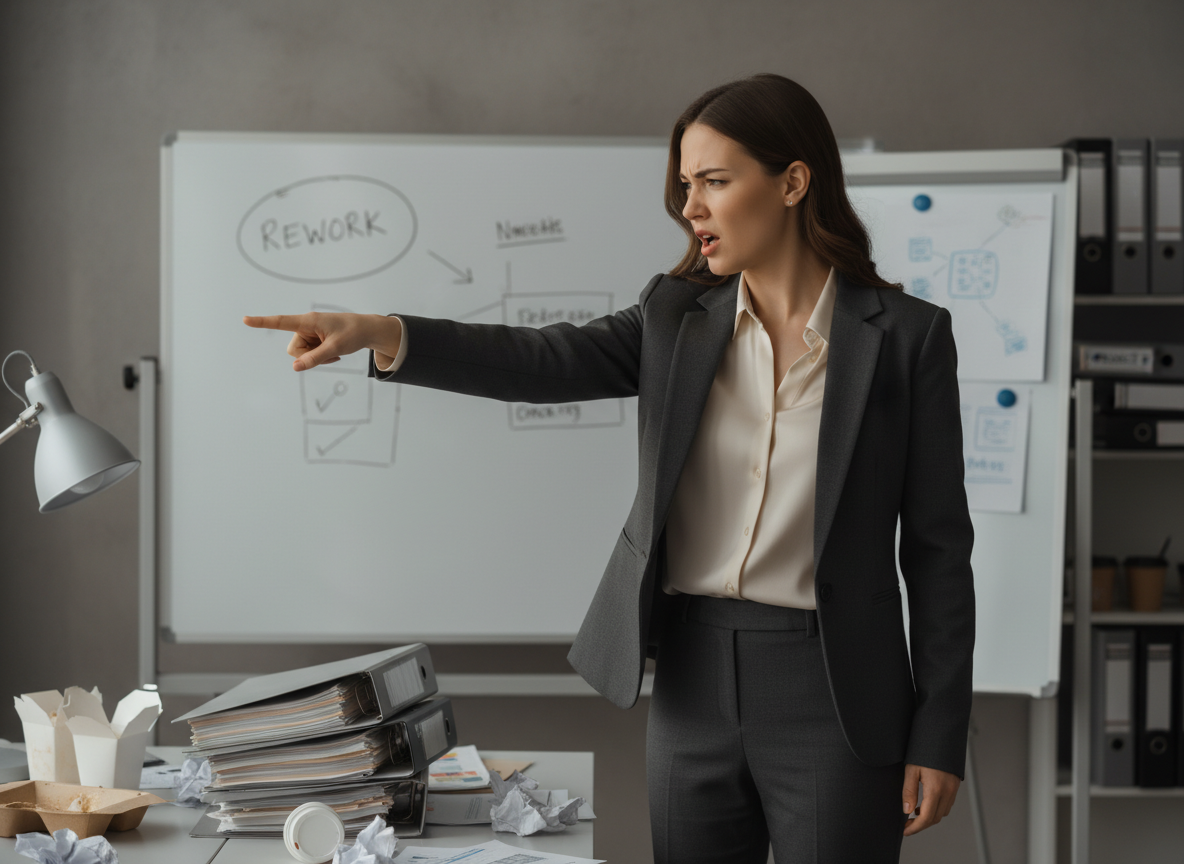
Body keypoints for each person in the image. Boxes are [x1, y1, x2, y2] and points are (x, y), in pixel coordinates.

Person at [245, 73, 974, 864]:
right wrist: (384, 332)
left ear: (793, 181)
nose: (690, 207)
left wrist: (939, 732)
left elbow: (938, 552)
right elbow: (542, 359)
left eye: (716, 182)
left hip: (833, 688)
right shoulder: (676, 316)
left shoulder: (905, 338)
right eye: (686, 185)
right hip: (691, 679)